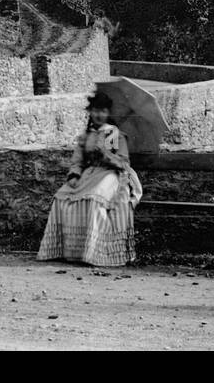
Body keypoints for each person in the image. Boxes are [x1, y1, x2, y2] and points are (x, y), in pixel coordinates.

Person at [37, 92, 143, 267]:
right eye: (95, 110)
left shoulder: (114, 134)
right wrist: (74, 174)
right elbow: (77, 160)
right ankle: (71, 252)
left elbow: (123, 163)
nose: (98, 115)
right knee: (61, 196)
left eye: (102, 111)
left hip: (112, 175)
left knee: (94, 198)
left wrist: (106, 153)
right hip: (89, 174)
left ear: (108, 113)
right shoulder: (86, 136)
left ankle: (96, 252)